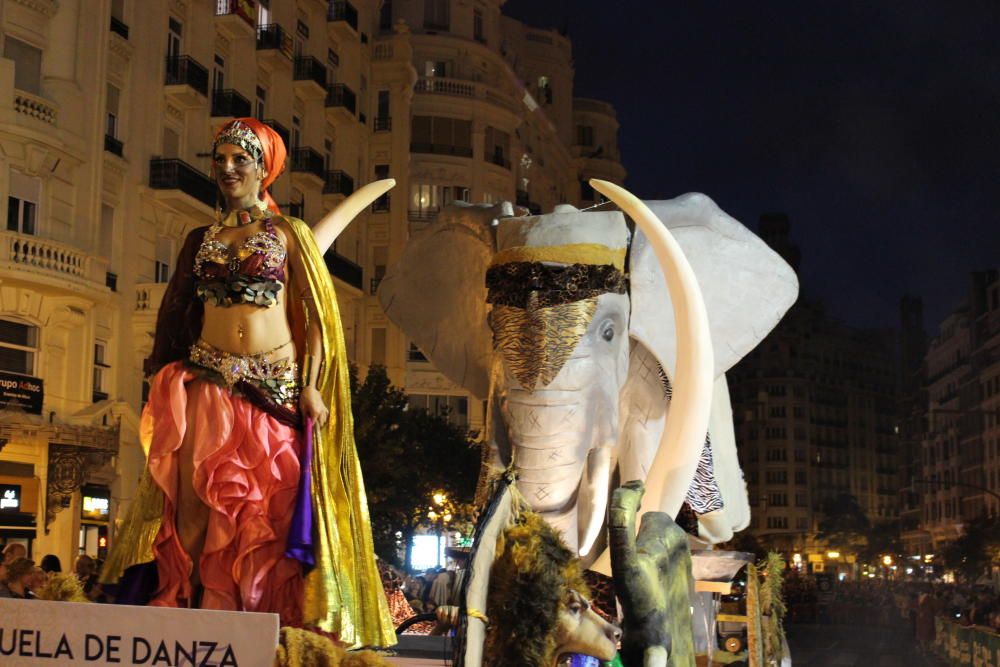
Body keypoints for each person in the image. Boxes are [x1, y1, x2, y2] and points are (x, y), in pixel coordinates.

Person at [101, 118, 394, 647]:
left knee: (266, 520)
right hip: (207, 384)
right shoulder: (201, 238)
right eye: (221, 160)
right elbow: (177, 314)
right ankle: (188, 626)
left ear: (265, 169)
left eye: (241, 159)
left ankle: (264, 635)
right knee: (191, 512)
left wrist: (311, 385)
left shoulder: (289, 234)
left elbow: (318, 317)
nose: (229, 169)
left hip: (274, 394)